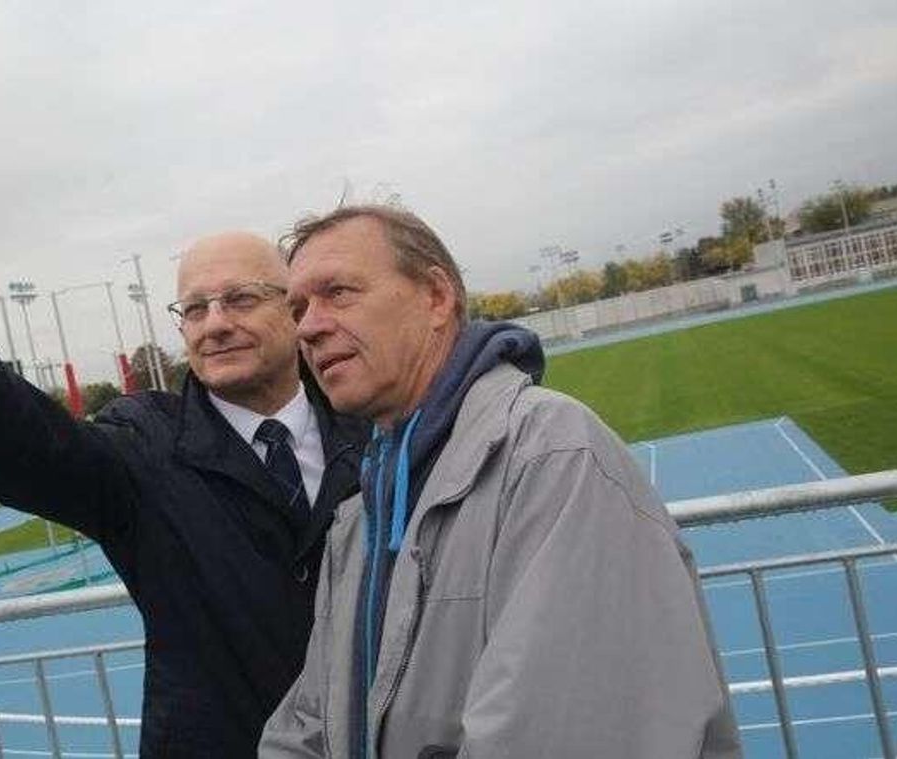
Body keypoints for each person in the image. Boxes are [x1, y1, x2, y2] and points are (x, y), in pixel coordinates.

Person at [0, 62, 367, 757]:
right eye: (193, 307)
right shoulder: (145, 450)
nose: (213, 322)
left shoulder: (375, 422)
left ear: (293, 308)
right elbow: (4, 431)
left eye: (241, 298)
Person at [260, 205, 742, 758]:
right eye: (298, 307)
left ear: (436, 298)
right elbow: (307, 726)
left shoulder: (552, 455)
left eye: (339, 292)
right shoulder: (358, 517)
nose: (309, 326)